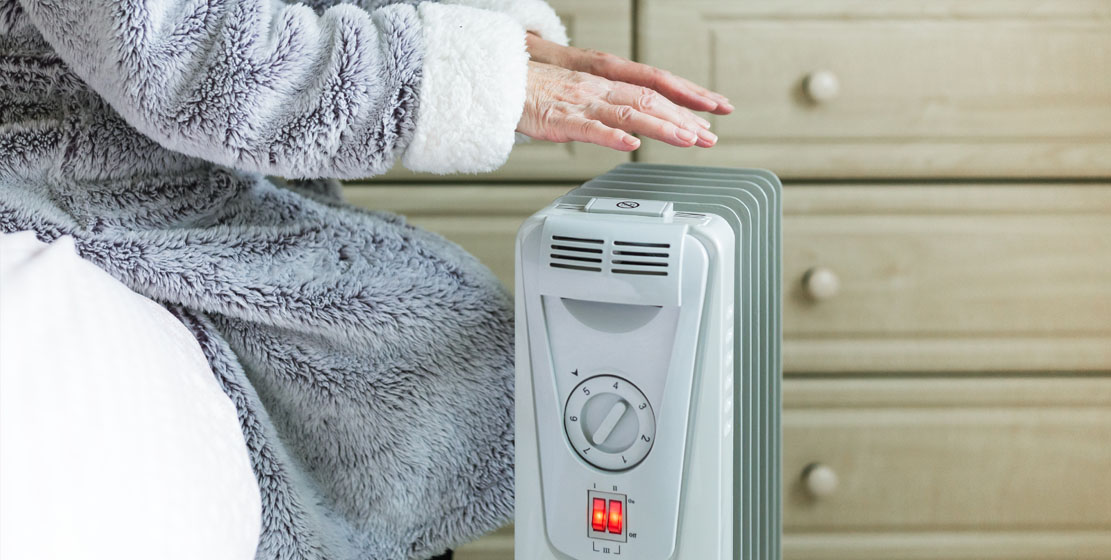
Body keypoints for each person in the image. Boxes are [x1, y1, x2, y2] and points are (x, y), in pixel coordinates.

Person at [0, 1, 729, 559]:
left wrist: (499, 43)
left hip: (182, 182)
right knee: (422, 344)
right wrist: (463, 79)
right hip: (61, 187)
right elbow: (184, 55)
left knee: (449, 335)